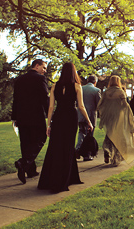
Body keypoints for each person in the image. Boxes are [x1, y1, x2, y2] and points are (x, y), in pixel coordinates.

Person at [38, 62, 93, 193]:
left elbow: (51, 107)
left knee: (55, 147)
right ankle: (64, 179)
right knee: (68, 147)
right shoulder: (77, 86)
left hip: (58, 117)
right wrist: (89, 121)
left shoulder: (54, 86)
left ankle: (53, 178)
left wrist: (49, 124)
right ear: (73, 72)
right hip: (70, 118)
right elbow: (81, 106)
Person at [11, 59, 49, 184]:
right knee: (41, 138)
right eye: (43, 67)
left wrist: (14, 117)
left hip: (22, 116)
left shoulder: (19, 80)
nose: (45, 70)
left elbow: (15, 99)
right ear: (36, 66)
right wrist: (50, 114)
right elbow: (44, 98)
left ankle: (30, 170)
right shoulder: (40, 79)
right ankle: (24, 163)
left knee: (26, 142)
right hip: (35, 116)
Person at [97, 75, 134, 167]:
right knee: (117, 135)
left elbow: (100, 104)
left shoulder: (106, 92)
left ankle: (107, 151)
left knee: (109, 134)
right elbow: (125, 105)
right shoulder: (120, 92)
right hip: (117, 117)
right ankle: (115, 158)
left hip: (108, 117)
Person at [75, 75, 101, 161]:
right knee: (89, 135)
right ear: (95, 82)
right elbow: (99, 104)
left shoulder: (81, 88)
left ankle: (78, 149)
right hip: (91, 115)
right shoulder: (96, 90)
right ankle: (87, 154)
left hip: (80, 115)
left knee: (81, 132)